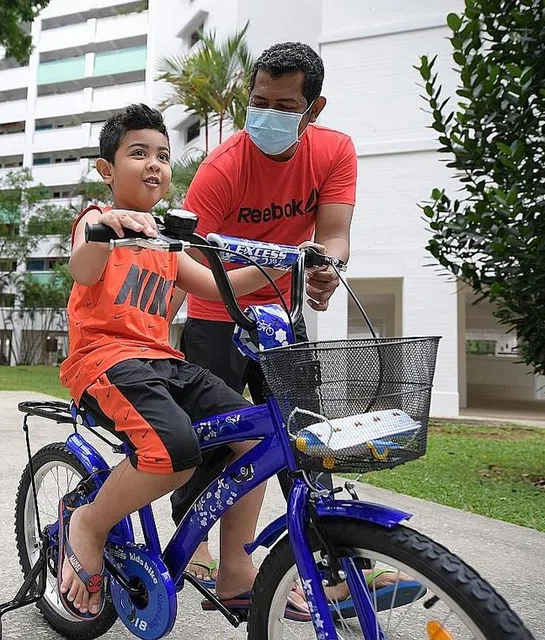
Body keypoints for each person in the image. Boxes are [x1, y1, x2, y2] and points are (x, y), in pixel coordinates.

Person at [56, 104, 316, 620]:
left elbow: (224, 286)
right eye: (138, 153)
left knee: (259, 434)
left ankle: (236, 570)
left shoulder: (167, 245)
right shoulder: (95, 221)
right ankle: (88, 523)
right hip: (107, 363)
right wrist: (108, 226)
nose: (154, 164)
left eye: (163, 155)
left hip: (163, 363)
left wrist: (288, 258)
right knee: (175, 452)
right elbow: (83, 268)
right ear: (107, 170)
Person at [167, 41, 357, 588]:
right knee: (211, 434)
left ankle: (329, 556)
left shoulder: (334, 151)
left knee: (305, 436)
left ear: (313, 109)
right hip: (215, 313)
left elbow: (335, 236)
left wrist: (327, 269)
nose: (266, 114)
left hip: (279, 315)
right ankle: (196, 542)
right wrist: (151, 335)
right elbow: (186, 266)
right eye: (259, 101)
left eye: (282, 105)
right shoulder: (222, 168)